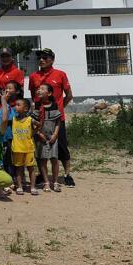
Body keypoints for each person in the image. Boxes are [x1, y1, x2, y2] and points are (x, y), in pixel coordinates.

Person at [28, 48, 74, 186]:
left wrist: (59, 109)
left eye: (45, 57)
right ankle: (43, 175)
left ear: (52, 59)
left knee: (61, 147)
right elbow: (33, 97)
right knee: (40, 148)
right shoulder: (33, 76)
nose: (41, 60)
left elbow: (69, 95)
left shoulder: (60, 74)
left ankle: (67, 175)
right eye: (40, 58)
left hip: (56, 119)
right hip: (39, 120)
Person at [35, 83, 63, 192]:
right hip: (40, 137)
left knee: (54, 159)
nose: (39, 90)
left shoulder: (54, 105)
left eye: (42, 89)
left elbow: (58, 122)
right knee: (43, 160)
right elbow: (32, 122)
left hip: (52, 137)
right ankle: (46, 182)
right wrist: (38, 133)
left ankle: (55, 181)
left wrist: (55, 135)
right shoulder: (36, 105)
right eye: (38, 88)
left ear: (49, 93)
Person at [10, 97, 38, 196]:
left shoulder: (30, 120)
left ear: (25, 109)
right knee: (19, 169)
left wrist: (34, 131)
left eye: (18, 105)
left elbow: (38, 125)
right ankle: (20, 186)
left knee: (31, 168)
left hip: (28, 148)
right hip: (17, 148)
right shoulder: (13, 119)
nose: (15, 107)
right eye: (15, 105)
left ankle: (33, 187)